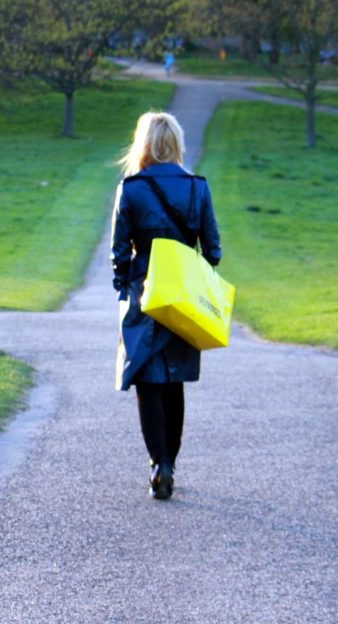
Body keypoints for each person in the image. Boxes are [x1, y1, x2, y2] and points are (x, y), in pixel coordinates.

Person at [110, 111, 221, 500]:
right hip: (184, 294)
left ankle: (159, 462)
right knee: (174, 380)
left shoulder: (131, 188)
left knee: (146, 378)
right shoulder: (197, 188)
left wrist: (125, 289)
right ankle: (169, 462)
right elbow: (215, 251)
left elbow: (118, 255)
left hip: (144, 292)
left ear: (142, 144)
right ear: (175, 143)